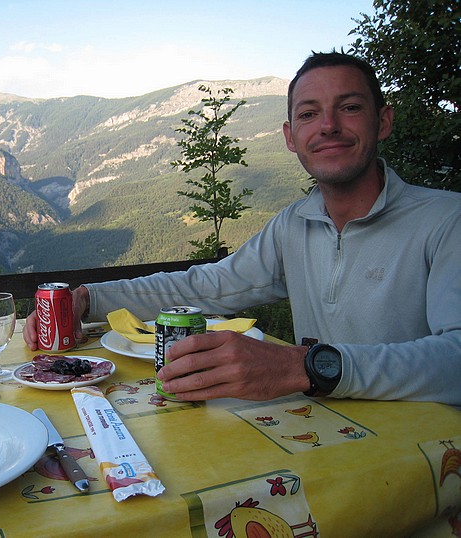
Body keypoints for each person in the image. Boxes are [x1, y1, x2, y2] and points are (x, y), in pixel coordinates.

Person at [24, 51, 461, 406]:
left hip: (427, 461)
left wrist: (304, 366)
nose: (328, 125)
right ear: (291, 137)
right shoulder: (296, 223)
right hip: (333, 442)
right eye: (310, 114)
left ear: (382, 121)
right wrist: (92, 298)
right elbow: (209, 286)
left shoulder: (446, 221)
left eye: (349, 108)